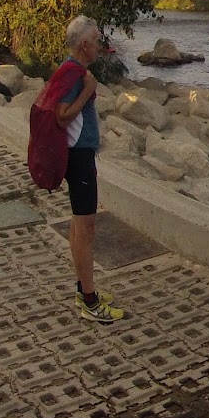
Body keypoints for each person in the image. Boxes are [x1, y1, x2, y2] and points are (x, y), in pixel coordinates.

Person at [54, 16, 125, 323]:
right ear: (84, 45)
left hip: (78, 155)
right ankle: (90, 301)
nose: (100, 45)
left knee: (77, 225)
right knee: (87, 229)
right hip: (78, 157)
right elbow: (61, 117)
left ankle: (83, 289)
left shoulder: (72, 70)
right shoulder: (74, 74)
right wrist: (88, 90)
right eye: (96, 40)